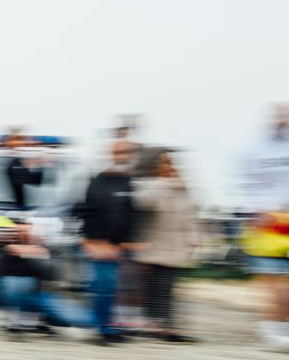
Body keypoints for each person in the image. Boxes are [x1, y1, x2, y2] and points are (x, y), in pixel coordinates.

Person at [238, 103, 289, 350]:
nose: (285, 119)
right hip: (266, 221)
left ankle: (287, 325)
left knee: (285, 278)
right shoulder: (256, 149)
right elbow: (245, 182)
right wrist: (255, 211)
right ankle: (274, 326)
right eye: (281, 115)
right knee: (274, 277)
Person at [132, 147, 200, 342]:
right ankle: (159, 325)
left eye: (171, 162)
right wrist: (162, 184)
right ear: (153, 165)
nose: (170, 167)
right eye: (165, 162)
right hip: (153, 245)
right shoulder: (146, 185)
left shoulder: (181, 187)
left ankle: (165, 325)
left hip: (175, 245)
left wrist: (194, 239)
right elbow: (141, 203)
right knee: (155, 287)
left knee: (167, 287)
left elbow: (191, 215)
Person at [78, 139, 139, 344]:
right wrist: (93, 240)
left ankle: (113, 325)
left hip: (125, 246)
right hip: (103, 246)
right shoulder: (99, 181)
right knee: (104, 287)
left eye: (126, 152)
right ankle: (103, 328)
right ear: (111, 154)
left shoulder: (131, 182)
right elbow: (89, 212)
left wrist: (131, 241)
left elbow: (134, 214)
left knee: (120, 290)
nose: (123, 156)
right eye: (118, 152)